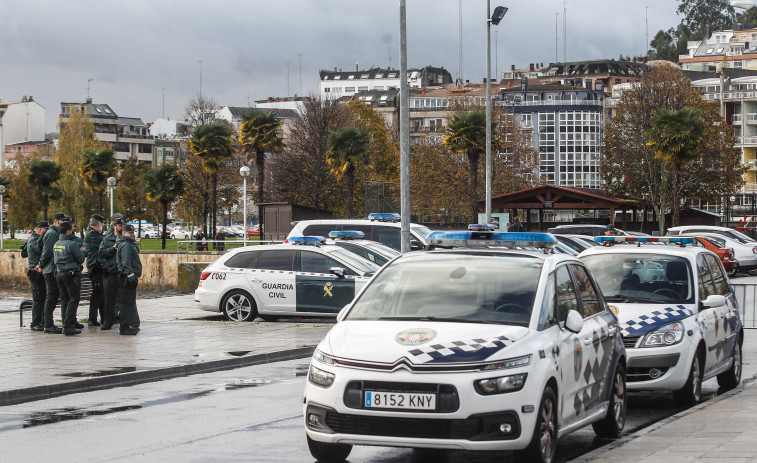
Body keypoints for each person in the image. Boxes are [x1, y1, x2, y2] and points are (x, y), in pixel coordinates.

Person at [36, 212, 68, 333]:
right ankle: (48, 324)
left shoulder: (55, 233)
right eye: (61, 220)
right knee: (51, 297)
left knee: (53, 297)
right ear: (55, 221)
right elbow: (47, 251)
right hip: (50, 270)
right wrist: (41, 265)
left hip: (53, 269)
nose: (63, 222)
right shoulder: (52, 234)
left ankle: (48, 323)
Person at [53, 221, 86, 336]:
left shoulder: (57, 243)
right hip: (71, 274)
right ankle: (68, 325)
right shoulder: (71, 244)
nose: (72, 232)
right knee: (74, 299)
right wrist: (82, 252)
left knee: (64, 299)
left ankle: (65, 323)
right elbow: (81, 258)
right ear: (68, 231)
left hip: (59, 273)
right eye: (71, 230)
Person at [99, 214, 124, 330]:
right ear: (114, 226)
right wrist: (112, 248)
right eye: (119, 225)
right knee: (109, 299)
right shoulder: (107, 239)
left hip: (123, 273)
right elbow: (102, 253)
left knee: (125, 298)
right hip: (111, 272)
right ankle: (108, 320)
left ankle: (125, 320)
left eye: (123, 225)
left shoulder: (126, 238)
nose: (121, 227)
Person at [116, 224, 141, 335]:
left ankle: (127, 325)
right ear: (124, 233)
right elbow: (126, 263)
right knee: (127, 303)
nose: (132, 234)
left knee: (129, 302)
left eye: (132, 232)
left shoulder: (128, 244)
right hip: (127, 278)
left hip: (127, 277)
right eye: (129, 233)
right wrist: (131, 277)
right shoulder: (126, 245)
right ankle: (125, 326)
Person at [26, 221, 49, 331]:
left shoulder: (36, 239)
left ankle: (42, 320)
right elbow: (41, 250)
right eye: (45, 231)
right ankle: (35, 322)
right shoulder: (33, 240)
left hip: (40, 272)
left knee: (42, 297)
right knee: (38, 298)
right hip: (35, 273)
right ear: (40, 229)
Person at [84, 214, 105, 326]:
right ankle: (92, 318)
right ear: (99, 224)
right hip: (95, 267)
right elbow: (105, 242)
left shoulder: (92, 233)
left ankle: (103, 316)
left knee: (101, 292)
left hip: (97, 267)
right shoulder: (93, 235)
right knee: (97, 293)